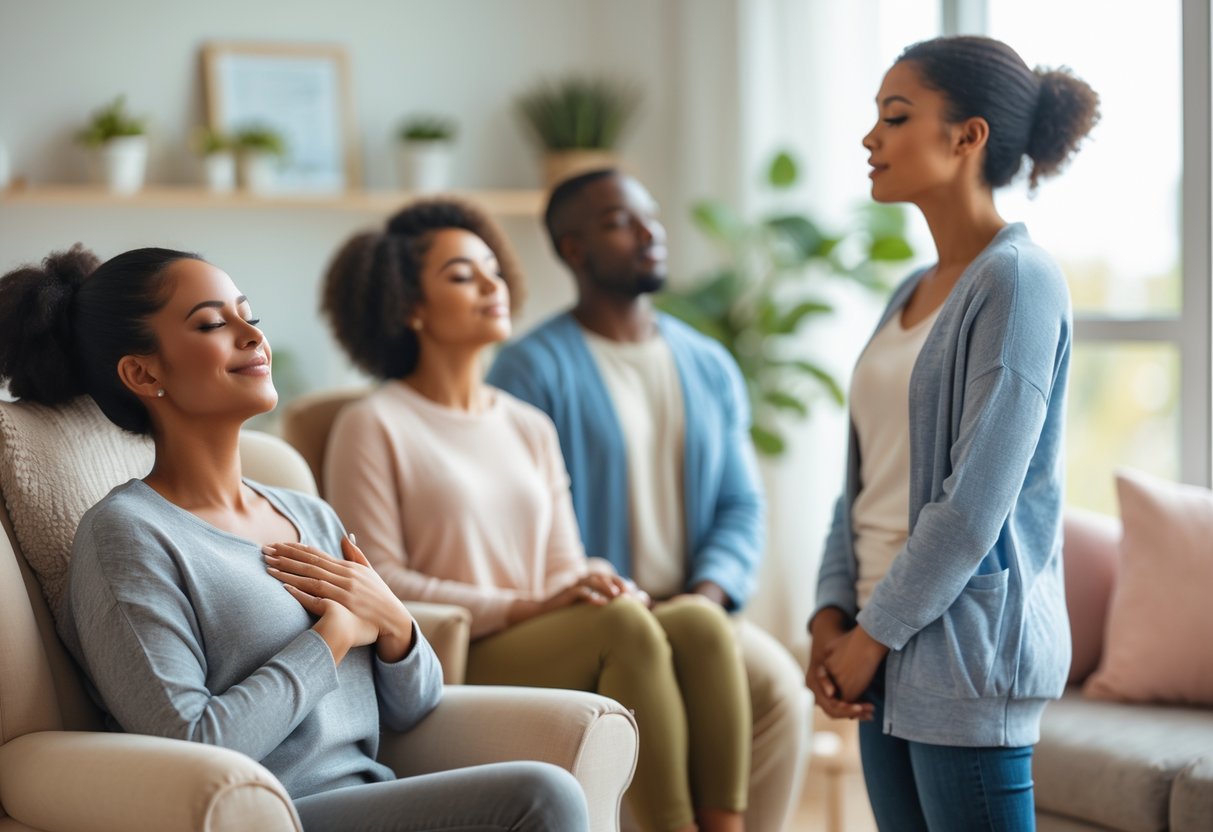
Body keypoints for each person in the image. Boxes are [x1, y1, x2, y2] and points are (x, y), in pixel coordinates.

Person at [0, 244, 590, 832]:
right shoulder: (126, 536)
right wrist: (332, 635)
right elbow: (189, 741)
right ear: (143, 372)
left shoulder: (308, 512)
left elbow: (415, 706)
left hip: (370, 795)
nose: (252, 336)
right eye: (210, 323)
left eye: (248, 317)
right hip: (271, 814)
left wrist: (394, 625)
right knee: (542, 796)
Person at [320, 198, 753, 832]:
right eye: (463, 275)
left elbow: (562, 564)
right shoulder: (372, 424)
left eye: (493, 269)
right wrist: (532, 607)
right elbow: (378, 583)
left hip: (542, 629)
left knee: (698, 622)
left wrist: (594, 578)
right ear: (409, 306)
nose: (493, 285)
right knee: (625, 629)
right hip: (452, 652)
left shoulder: (527, 424)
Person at [806, 35, 1100, 831]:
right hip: (874, 645)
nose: (871, 138)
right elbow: (863, 481)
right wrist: (828, 616)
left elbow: (973, 505)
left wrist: (869, 635)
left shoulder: (1017, 281)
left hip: (960, 659)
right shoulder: (909, 290)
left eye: (894, 117)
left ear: (967, 136)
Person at [486, 171, 810, 832]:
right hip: (596, 608)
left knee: (779, 690)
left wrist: (708, 594)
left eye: (651, 218)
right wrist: (609, 597)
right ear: (573, 249)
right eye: (618, 222)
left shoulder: (708, 363)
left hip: (697, 601)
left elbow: (741, 503)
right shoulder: (528, 369)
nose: (648, 234)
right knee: (644, 672)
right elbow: (527, 518)